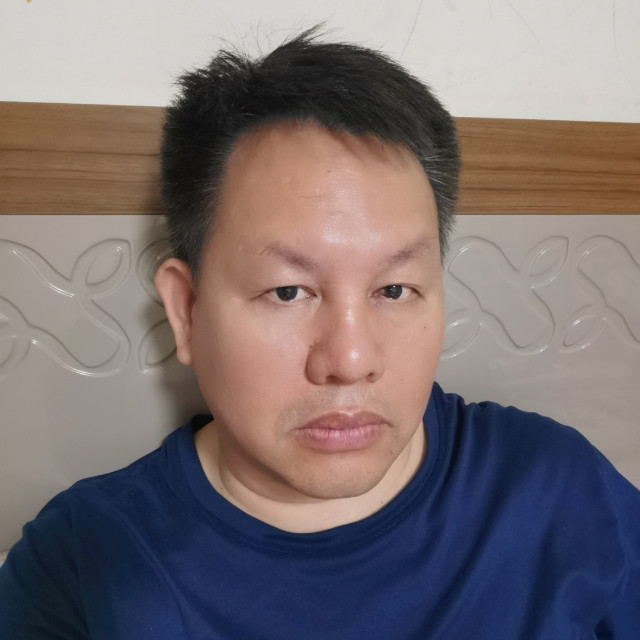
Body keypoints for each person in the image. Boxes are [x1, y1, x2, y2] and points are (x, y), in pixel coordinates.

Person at [1, 28, 639, 639]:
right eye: (288, 292)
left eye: (394, 289)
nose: (351, 360)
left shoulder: (556, 490)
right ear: (186, 310)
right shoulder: (86, 564)